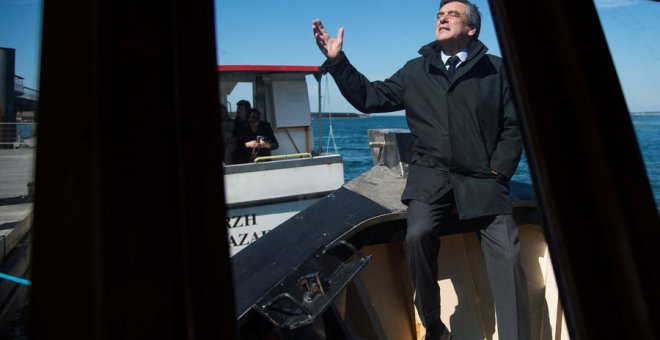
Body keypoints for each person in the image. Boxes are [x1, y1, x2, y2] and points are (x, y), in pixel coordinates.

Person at [312, 1, 530, 339]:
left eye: (452, 14)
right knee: (417, 235)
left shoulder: (496, 70)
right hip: (431, 176)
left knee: (507, 250)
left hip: (482, 180)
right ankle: (434, 326)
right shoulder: (416, 70)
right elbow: (371, 98)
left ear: (471, 29)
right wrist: (338, 62)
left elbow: (514, 126)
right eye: (439, 15)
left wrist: (499, 171)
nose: (442, 18)